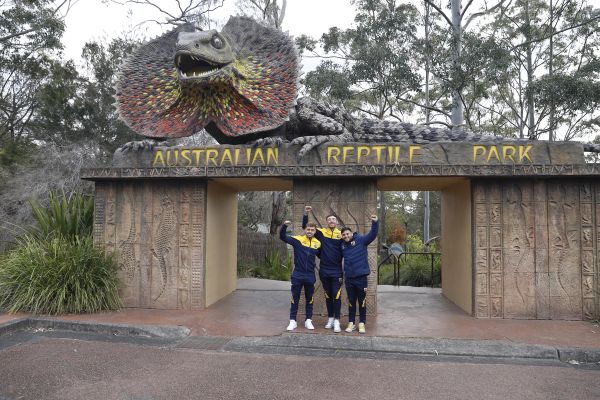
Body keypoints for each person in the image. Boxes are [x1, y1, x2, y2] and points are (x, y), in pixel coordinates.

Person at [302, 205, 343, 333]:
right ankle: (330, 318)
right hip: (324, 270)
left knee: (336, 295)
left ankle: (337, 321)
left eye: (333, 219)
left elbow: (352, 240)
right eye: (329, 219)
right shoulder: (321, 232)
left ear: (337, 222)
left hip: (337, 270)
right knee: (327, 295)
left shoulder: (341, 234)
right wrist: (305, 214)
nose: (331, 221)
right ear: (327, 222)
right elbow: (305, 227)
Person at [279, 219, 321, 331]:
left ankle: (308, 320)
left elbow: (323, 255)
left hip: (310, 275)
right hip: (298, 274)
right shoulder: (297, 240)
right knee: (295, 298)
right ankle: (293, 321)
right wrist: (284, 226)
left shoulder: (318, 243)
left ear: (315, 231)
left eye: (312, 230)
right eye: (308, 229)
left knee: (310, 298)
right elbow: (283, 237)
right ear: (305, 230)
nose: (310, 231)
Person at [340, 215, 378, 334]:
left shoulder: (361, 240)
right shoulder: (342, 245)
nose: (346, 236)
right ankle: (351, 323)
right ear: (342, 236)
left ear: (351, 233)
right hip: (349, 279)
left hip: (361, 278)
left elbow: (372, 234)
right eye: (344, 235)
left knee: (362, 302)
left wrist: (375, 222)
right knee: (351, 302)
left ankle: (362, 323)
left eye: (347, 234)